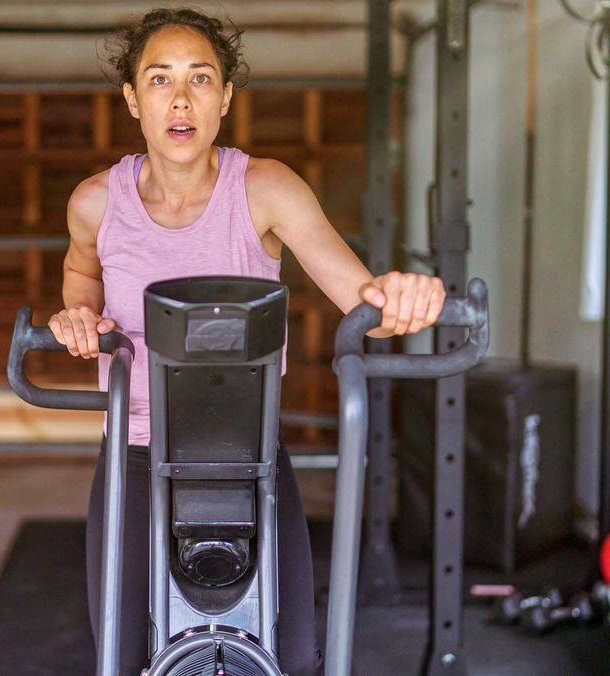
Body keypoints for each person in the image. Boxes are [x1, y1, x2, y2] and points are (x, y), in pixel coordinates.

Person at [48, 8, 446, 675]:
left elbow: (363, 300)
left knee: (287, 657)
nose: (180, 99)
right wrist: (78, 313)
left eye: (201, 79)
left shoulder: (264, 188)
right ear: (132, 100)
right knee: (121, 656)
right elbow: (81, 269)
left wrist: (407, 296)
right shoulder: (95, 202)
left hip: (250, 455)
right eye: (159, 79)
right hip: (135, 457)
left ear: (226, 98)